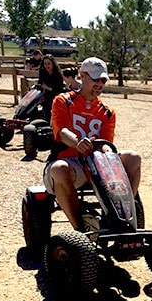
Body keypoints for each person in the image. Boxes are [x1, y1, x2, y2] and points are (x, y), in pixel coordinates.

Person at [43, 57, 141, 231]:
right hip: (70, 163)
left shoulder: (107, 112)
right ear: (82, 76)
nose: (99, 84)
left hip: (96, 164)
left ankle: (124, 217)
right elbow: (62, 131)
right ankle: (80, 229)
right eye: (95, 79)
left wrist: (101, 148)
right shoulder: (63, 101)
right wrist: (78, 143)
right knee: (58, 169)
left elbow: (106, 143)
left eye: (103, 80)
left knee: (134, 158)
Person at [38, 54, 65, 120]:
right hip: (46, 95)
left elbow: (58, 88)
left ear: (53, 64)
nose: (47, 66)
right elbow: (40, 82)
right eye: (45, 64)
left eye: (49, 63)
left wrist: (47, 88)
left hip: (55, 95)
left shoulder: (57, 74)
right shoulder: (43, 72)